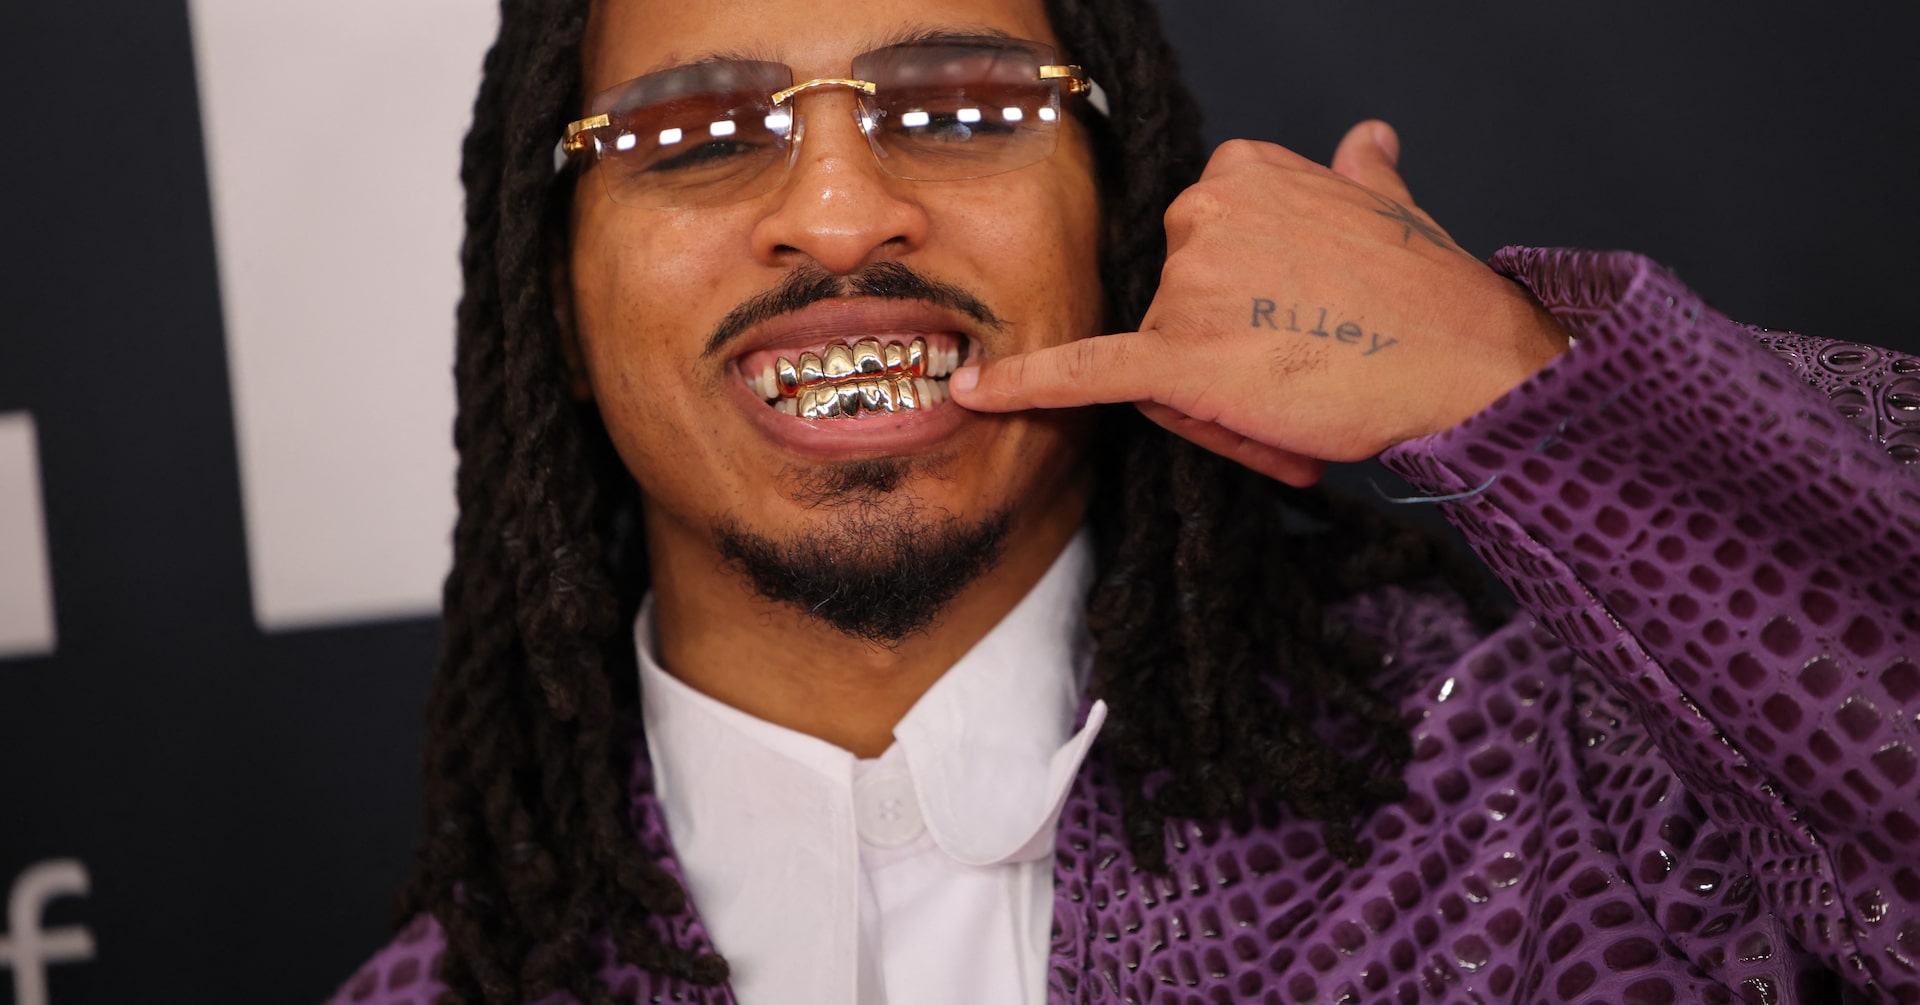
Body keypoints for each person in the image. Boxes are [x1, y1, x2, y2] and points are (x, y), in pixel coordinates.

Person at [330, 0, 1919, 1002]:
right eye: (693, 136)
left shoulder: (1558, 799)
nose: (838, 211)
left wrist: (1519, 382)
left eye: (960, 109)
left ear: (1117, 221)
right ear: (551, 304)